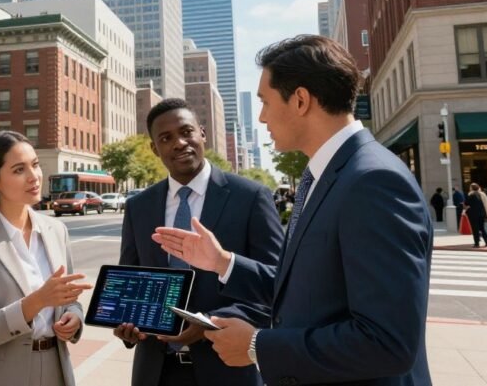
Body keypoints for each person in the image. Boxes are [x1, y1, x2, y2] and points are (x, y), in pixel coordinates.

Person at [154, 35, 432, 386]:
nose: (262, 116)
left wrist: (257, 346)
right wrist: (223, 262)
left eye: (265, 102)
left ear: (300, 100)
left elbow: (388, 342)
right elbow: (306, 288)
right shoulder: (324, 175)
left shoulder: (372, 181)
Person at [116, 99, 284, 386]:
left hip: (227, 370)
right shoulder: (139, 206)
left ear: (202, 133)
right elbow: (131, 280)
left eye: (186, 131)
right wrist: (127, 323)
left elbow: (277, 285)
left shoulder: (251, 197)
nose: (179, 143)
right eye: (166, 138)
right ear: (155, 149)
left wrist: (209, 322)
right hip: (156, 371)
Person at [0, 131, 92, 386]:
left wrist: (74, 318)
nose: (34, 176)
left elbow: (69, 300)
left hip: (56, 369)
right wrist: (37, 301)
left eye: (35, 165)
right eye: (18, 170)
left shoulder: (56, 230)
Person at [465, 182, 487, 248]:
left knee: (475, 229)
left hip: (474, 215)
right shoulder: (482, 194)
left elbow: (466, 203)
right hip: (482, 213)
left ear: (471, 188)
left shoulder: (471, 194)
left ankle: (476, 243)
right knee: (482, 228)